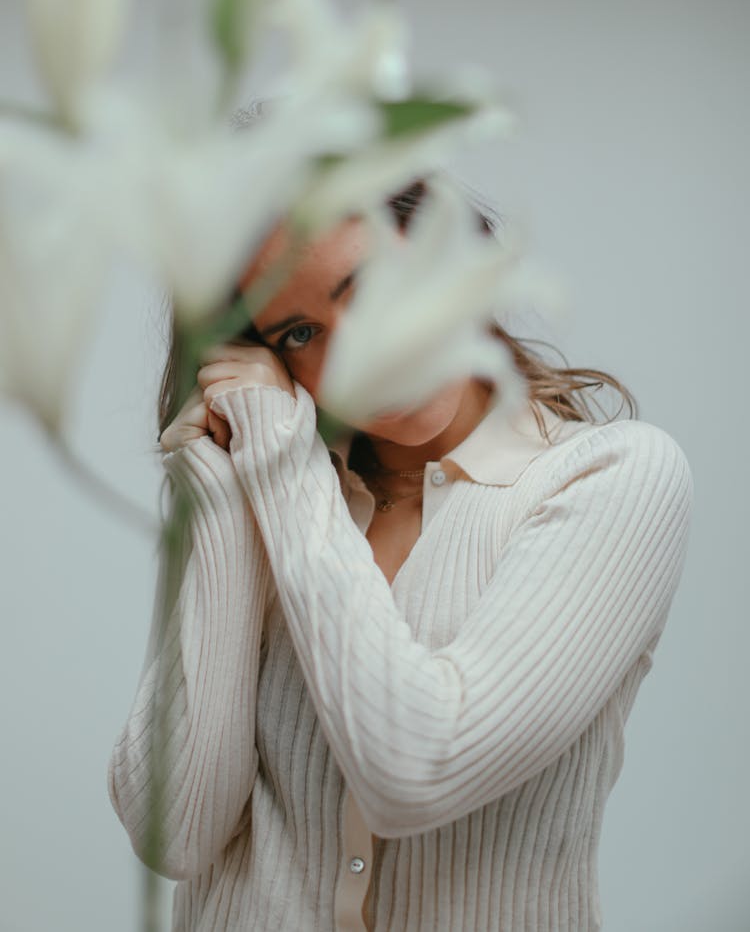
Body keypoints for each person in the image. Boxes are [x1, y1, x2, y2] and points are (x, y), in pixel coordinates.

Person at [108, 178, 694, 932]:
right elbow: (175, 834)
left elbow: (417, 769)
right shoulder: (280, 493)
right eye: (298, 333)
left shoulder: (614, 478)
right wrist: (227, 500)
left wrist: (282, 474)